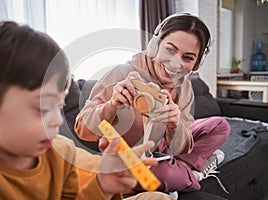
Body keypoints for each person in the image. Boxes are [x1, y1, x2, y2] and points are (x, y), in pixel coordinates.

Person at [0, 21, 174, 200]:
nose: (57, 120)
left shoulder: (60, 152)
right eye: (42, 108)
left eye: (58, 106)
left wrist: (103, 187)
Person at [74, 13, 230, 194]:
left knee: (221, 126)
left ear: (196, 64)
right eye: (170, 50)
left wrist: (174, 125)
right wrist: (111, 105)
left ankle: (180, 168)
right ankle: (194, 175)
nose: (175, 63)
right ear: (154, 45)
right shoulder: (122, 73)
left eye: (187, 58)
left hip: (160, 146)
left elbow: (182, 147)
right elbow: (82, 130)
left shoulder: (185, 87)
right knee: (163, 175)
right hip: (128, 160)